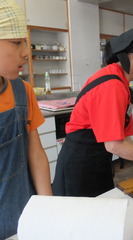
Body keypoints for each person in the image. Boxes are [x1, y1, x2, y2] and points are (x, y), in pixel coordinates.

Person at [52, 21, 133, 197]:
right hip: (80, 165)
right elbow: (114, 145)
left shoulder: (122, 85)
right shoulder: (111, 85)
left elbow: (122, 137)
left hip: (98, 161)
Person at [0, 0, 52, 238]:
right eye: (16, 42)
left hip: (25, 209)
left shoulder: (23, 91)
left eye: (25, 42)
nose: (25, 51)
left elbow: (36, 154)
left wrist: (48, 207)